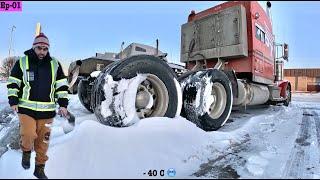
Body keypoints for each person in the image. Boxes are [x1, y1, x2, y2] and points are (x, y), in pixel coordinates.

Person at [7, 32, 69, 179]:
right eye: (39, 48)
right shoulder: (23, 62)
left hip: (47, 113)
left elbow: (61, 85)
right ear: (34, 47)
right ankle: (26, 152)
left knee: (43, 142)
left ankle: (39, 168)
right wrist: (13, 100)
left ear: (48, 49)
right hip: (26, 109)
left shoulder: (54, 64)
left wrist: (63, 104)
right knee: (28, 135)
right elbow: (13, 81)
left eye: (45, 49)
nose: (42, 51)